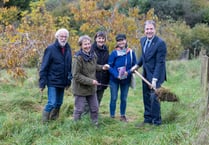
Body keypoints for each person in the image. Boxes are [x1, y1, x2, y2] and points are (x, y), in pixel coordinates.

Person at [131, 20, 167, 126]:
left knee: (154, 97)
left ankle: (156, 121)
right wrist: (137, 65)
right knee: (146, 96)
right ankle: (148, 119)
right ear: (144, 30)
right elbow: (144, 56)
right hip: (145, 73)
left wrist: (155, 79)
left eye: (151, 29)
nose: (149, 31)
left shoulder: (160, 43)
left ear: (155, 30)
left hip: (156, 74)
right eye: (147, 29)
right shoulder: (143, 40)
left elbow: (160, 63)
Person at [72, 35, 109, 126]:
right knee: (79, 109)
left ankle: (95, 124)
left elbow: (94, 66)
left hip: (91, 88)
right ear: (81, 45)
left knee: (94, 108)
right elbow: (76, 75)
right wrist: (91, 81)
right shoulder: (78, 58)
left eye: (89, 44)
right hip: (80, 88)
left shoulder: (93, 55)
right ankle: (76, 126)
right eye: (85, 44)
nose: (87, 46)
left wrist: (102, 67)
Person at [39, 28, 72, 123]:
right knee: (51, 103)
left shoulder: (68, 48)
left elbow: (69, 66)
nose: (63, 38)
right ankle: (44, 122)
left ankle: (53, 121)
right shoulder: (50, 49)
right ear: (57, 37)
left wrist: (68, 81)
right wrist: (42, 83)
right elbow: (44, 66)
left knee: (59, 103)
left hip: (63, 81)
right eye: (61, 36)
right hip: (52, 81)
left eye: (65, 37)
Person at [108, 34, 137, 122]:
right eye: (119, 40)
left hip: (126, 79)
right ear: (117, 42)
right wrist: (116, 74)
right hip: (114, 80)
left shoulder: (131, 52)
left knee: (123, 98)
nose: (121, 42)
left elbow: (135, 65)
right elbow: (109, 66)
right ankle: (112, 116)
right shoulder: (114, 53)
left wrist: (127, 72)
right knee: (113, 97)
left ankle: (122, 115)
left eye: (122, 40)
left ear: (125, 40)